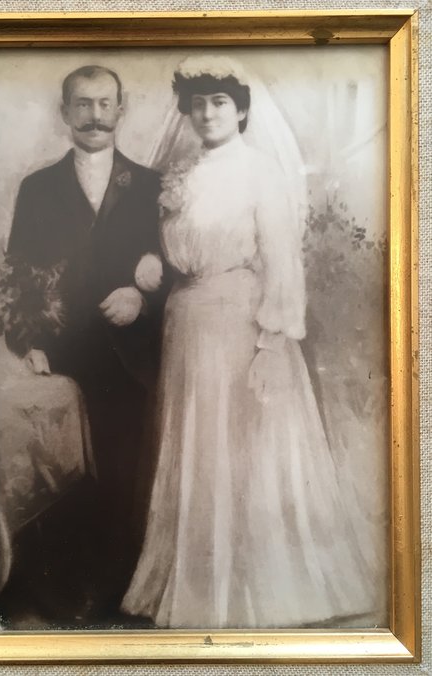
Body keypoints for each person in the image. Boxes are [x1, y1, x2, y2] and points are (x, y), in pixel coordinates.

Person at [121, 56, 379, 629]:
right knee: (196, 447)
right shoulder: (179, 173)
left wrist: (271, 345)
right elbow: (163, 251)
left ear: (240, 110)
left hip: (240, 323)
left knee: (243, 451)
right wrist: (147, 262)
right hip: (186, 326)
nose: (208, 113)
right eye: (198, 102)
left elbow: (283, 264)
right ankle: (195, 584)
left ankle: (256, 588)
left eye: (220, 102)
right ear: (186, 110)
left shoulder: (261, 171)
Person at [5, 65, 165, 621]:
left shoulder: (151, 185)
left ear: (121, 111)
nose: (95, 116)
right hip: (64, 354)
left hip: (130, 358)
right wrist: (29, 341)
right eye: (83, 104)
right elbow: (18, 275)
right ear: (64, 112)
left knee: (123, 472)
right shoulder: (38, 187)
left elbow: (178, 269)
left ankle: (117, 595)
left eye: (105, 104)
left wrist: (142, 299)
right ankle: (63, 590)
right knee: (64, 473)